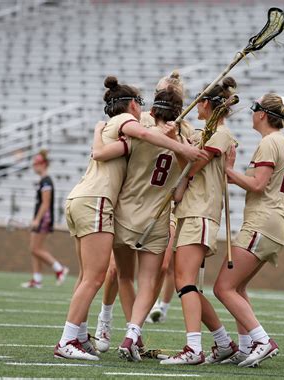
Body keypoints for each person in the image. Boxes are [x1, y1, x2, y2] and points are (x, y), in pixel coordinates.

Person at [54, 76, 205, 361]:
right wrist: (181, 146)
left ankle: (86, 333)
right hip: (147, 218)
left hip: (120, 213)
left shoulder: (136, 132)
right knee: (140, 280)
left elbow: (100, 152)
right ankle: (129, 334)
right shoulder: (151, 130)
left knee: (110, 274)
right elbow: (179, 193)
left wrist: (98, 131)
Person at [93, 71, 194, 353]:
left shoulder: (186, 131)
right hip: (133, 205)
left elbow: (189, 173)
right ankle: (108, 319)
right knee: (117, 272)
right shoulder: (140, 123)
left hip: (154, 210)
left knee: (150, 270)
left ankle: (133, 333)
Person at [214, 93, 284, 367]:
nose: (251, 113)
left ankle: (262, 340)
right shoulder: (278, 141)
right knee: (237, 287)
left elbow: (257, 185)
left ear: (262, 114)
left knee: (223, 288)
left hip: (262, 222)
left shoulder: (270, 142)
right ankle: (246, 346)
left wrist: (228, 170)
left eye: (253, 109)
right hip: (270, 223)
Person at [160, 77, 238, 365]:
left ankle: (193, 348)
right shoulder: (206, 132)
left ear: (206, 104)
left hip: (201, 212)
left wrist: (173, 142)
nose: (195, 107)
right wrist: (176, 135)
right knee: (185, 283)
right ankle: (223, 342)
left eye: (198, 101)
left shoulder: (220, 134)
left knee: (185, 281)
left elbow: (191, 167)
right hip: (190, 211)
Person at [21, 150, 69, 289]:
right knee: (35, 248)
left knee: (35, 248)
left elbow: (46, 203)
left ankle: (59, 268)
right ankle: (37, 280)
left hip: (44, 219)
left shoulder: (46, 181)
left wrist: (37, 220)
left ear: (43, 164)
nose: (34, 166)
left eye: (36, 163)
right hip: (41, 218)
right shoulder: (43, 181)